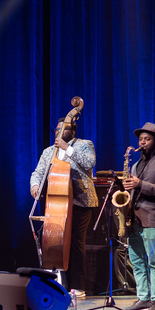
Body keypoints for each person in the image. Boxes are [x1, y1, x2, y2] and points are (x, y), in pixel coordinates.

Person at [29, 118, 98, 294]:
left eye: (63, 129)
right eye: (56, 129)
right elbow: (38, 172)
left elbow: (89, 162)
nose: (58, 132)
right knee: (56, 242)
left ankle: (78, 285)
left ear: (73, 132)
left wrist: (67, 148)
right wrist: (35, 185)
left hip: (80, 201)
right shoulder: (49, 151)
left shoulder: (84, 144)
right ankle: (60, 284)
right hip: (56, 202)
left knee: (75, 242)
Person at [123, 123, 155, 310]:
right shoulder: (136, 165)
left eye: (147, 139)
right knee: (136, 261)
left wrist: (140, 183)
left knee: (154, 261)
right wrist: (128, 187)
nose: (142, 142)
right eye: (141, 139)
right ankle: (143, 297)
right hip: (134, 219)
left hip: (152, 218)